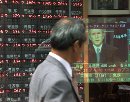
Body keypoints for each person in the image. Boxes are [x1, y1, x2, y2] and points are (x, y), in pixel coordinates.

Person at [29, 17, 87, 102]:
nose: (84, 49)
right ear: (76, 45)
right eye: (85, 45)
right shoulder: (59, 81)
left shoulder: (41, 68)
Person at [88, 29, 121, 102]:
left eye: (99, 33)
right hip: (90, 89)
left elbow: (118, 69)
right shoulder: (84, 50)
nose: (96, 36)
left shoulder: (113, 50)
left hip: (108, 88)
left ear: (103, 36)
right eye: (93, 34)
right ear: (90, 37)